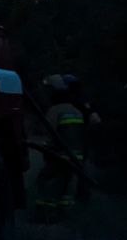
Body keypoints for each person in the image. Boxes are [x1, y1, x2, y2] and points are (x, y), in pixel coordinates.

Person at [37, 74, 99, 212]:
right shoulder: (77, 109)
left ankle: (46, 210)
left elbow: (48, 131)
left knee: (46, 179)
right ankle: (67, 209)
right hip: (77, 153)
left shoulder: (57, 109)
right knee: (69, 182)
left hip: (61, 154)